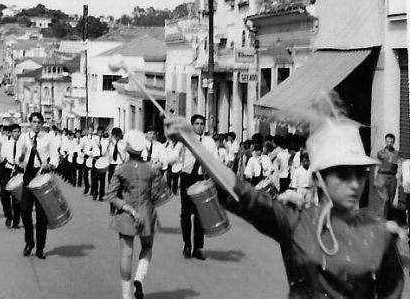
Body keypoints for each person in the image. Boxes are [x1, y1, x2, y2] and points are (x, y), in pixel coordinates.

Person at [169, 104, 405, 297]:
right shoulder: (296, 221)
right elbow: (243, 195)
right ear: (318, 178)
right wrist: (193, 142)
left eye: (359, 173)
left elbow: (391, 293)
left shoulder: (378, 233)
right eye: (342, 174)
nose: (354, 184)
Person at [105, 130, 158, 299]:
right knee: (147, 247)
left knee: (126, 254)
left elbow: (111, 196)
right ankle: (139, 278)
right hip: (147, 213)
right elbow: (157, 195)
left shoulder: (120, 169)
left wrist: (128, 208)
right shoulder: (151, 169)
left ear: (127, 147)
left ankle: (126, 296)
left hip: (128, 214)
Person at [166, 114, 217, 261]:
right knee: (186, 214)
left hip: (202, 179)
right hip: (188, 178)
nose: (200, 126)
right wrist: (164, 161)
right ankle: (187, 244)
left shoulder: (209, 142)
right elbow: (175, 156)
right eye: (197, 123)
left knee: (201, 215)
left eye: (202, 123)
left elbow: (215, 160)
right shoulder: (185, 141)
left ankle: (198, 248)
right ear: (192, 126)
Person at [15, 112, 59, 259]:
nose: (36, 125)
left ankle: (40, 247)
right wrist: (20, 159)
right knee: (25, 209)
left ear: (42, 124)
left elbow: (54, 155)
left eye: (39, 122)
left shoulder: (48, 138)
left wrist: (51, 164)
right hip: (28, 174)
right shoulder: (23, 137)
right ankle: (29, 242)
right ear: (30, 123)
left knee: (41, 214)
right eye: (34, 122)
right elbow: (18, 157)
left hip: (42, 174)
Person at [375, 133, 399, 219]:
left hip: (392, 177)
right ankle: (381, 218)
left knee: (390, 200)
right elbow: (376, 165)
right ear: (385, 141)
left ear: (394, 142)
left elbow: (399, 165)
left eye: (391, 142)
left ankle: (387, 219)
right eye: (388, 141)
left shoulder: (396, 153)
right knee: (383, 199)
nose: (389, 143)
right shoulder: (380, 153)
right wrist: (375, 179)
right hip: (382, 176)